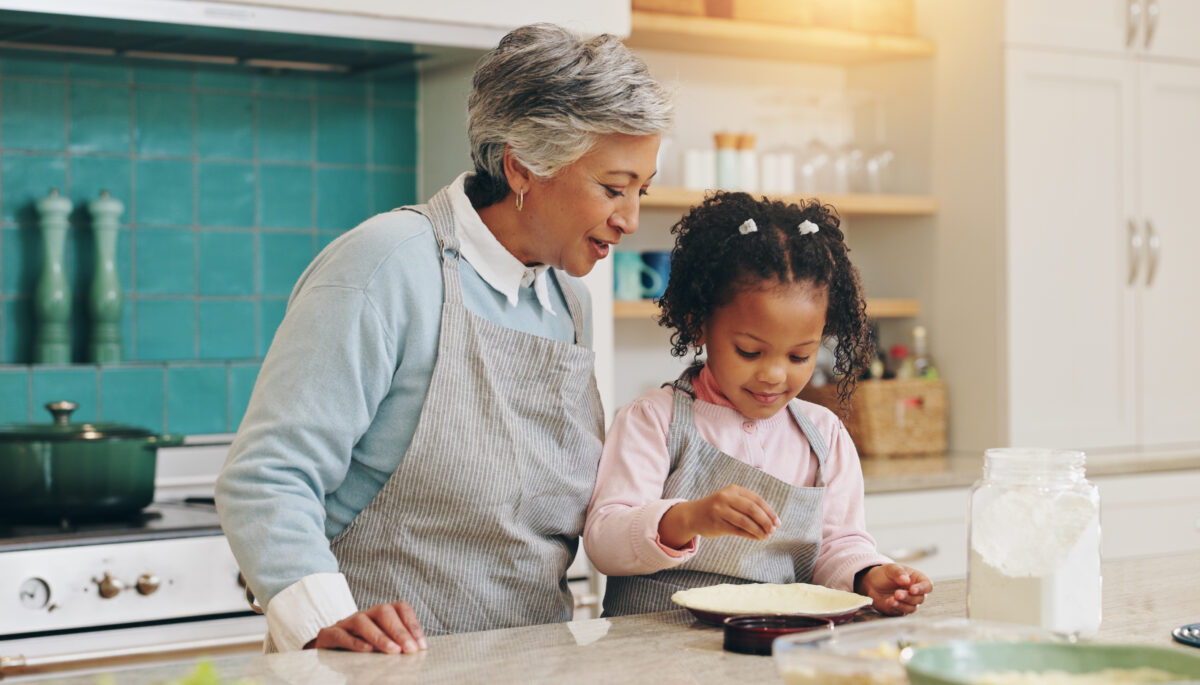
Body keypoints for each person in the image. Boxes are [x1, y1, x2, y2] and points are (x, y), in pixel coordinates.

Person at [214, 23, 673, 654]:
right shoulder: (387, 264)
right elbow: (269, 477)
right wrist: (319, 622)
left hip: (531, 663)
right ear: (522, 168)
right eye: (613, 188)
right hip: (384, 670)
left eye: (641, 191)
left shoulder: (568, 300)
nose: (630, 219)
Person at [583, 192, 932, 616]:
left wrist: (869, 576)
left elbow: (840, 544)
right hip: (652, 652)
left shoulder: (824, 436)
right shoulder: (654, 419)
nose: (774, 374)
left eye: (799, 356)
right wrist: (688, 519)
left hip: (768, 649)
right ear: (699, 325)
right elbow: (604, 541)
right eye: (750, 351)